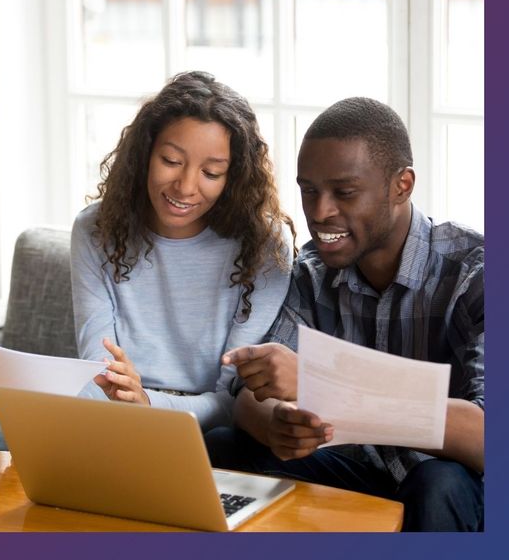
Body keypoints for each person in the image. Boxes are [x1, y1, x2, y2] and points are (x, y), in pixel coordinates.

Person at [206, 97, 484, 531]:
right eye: (309, 190)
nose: (319, 212)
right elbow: (247, 396)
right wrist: (277, 421)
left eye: (344, 192)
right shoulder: (311, 273)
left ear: (402, 185)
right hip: (361, 473)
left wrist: (325, 383)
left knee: (438, 483)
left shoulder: (477, 272)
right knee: (226, 446)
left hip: (456, 484)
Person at [70, 70, 295, 433]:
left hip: (205, 430)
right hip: (113, 418)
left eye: (211, 172)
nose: (186, 186)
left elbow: (231, 401)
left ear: (233, 177)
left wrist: (146, 403)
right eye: (171, 162)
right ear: (145, 154)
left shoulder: (265, 244)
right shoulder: (95, 229)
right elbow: (97, 370)